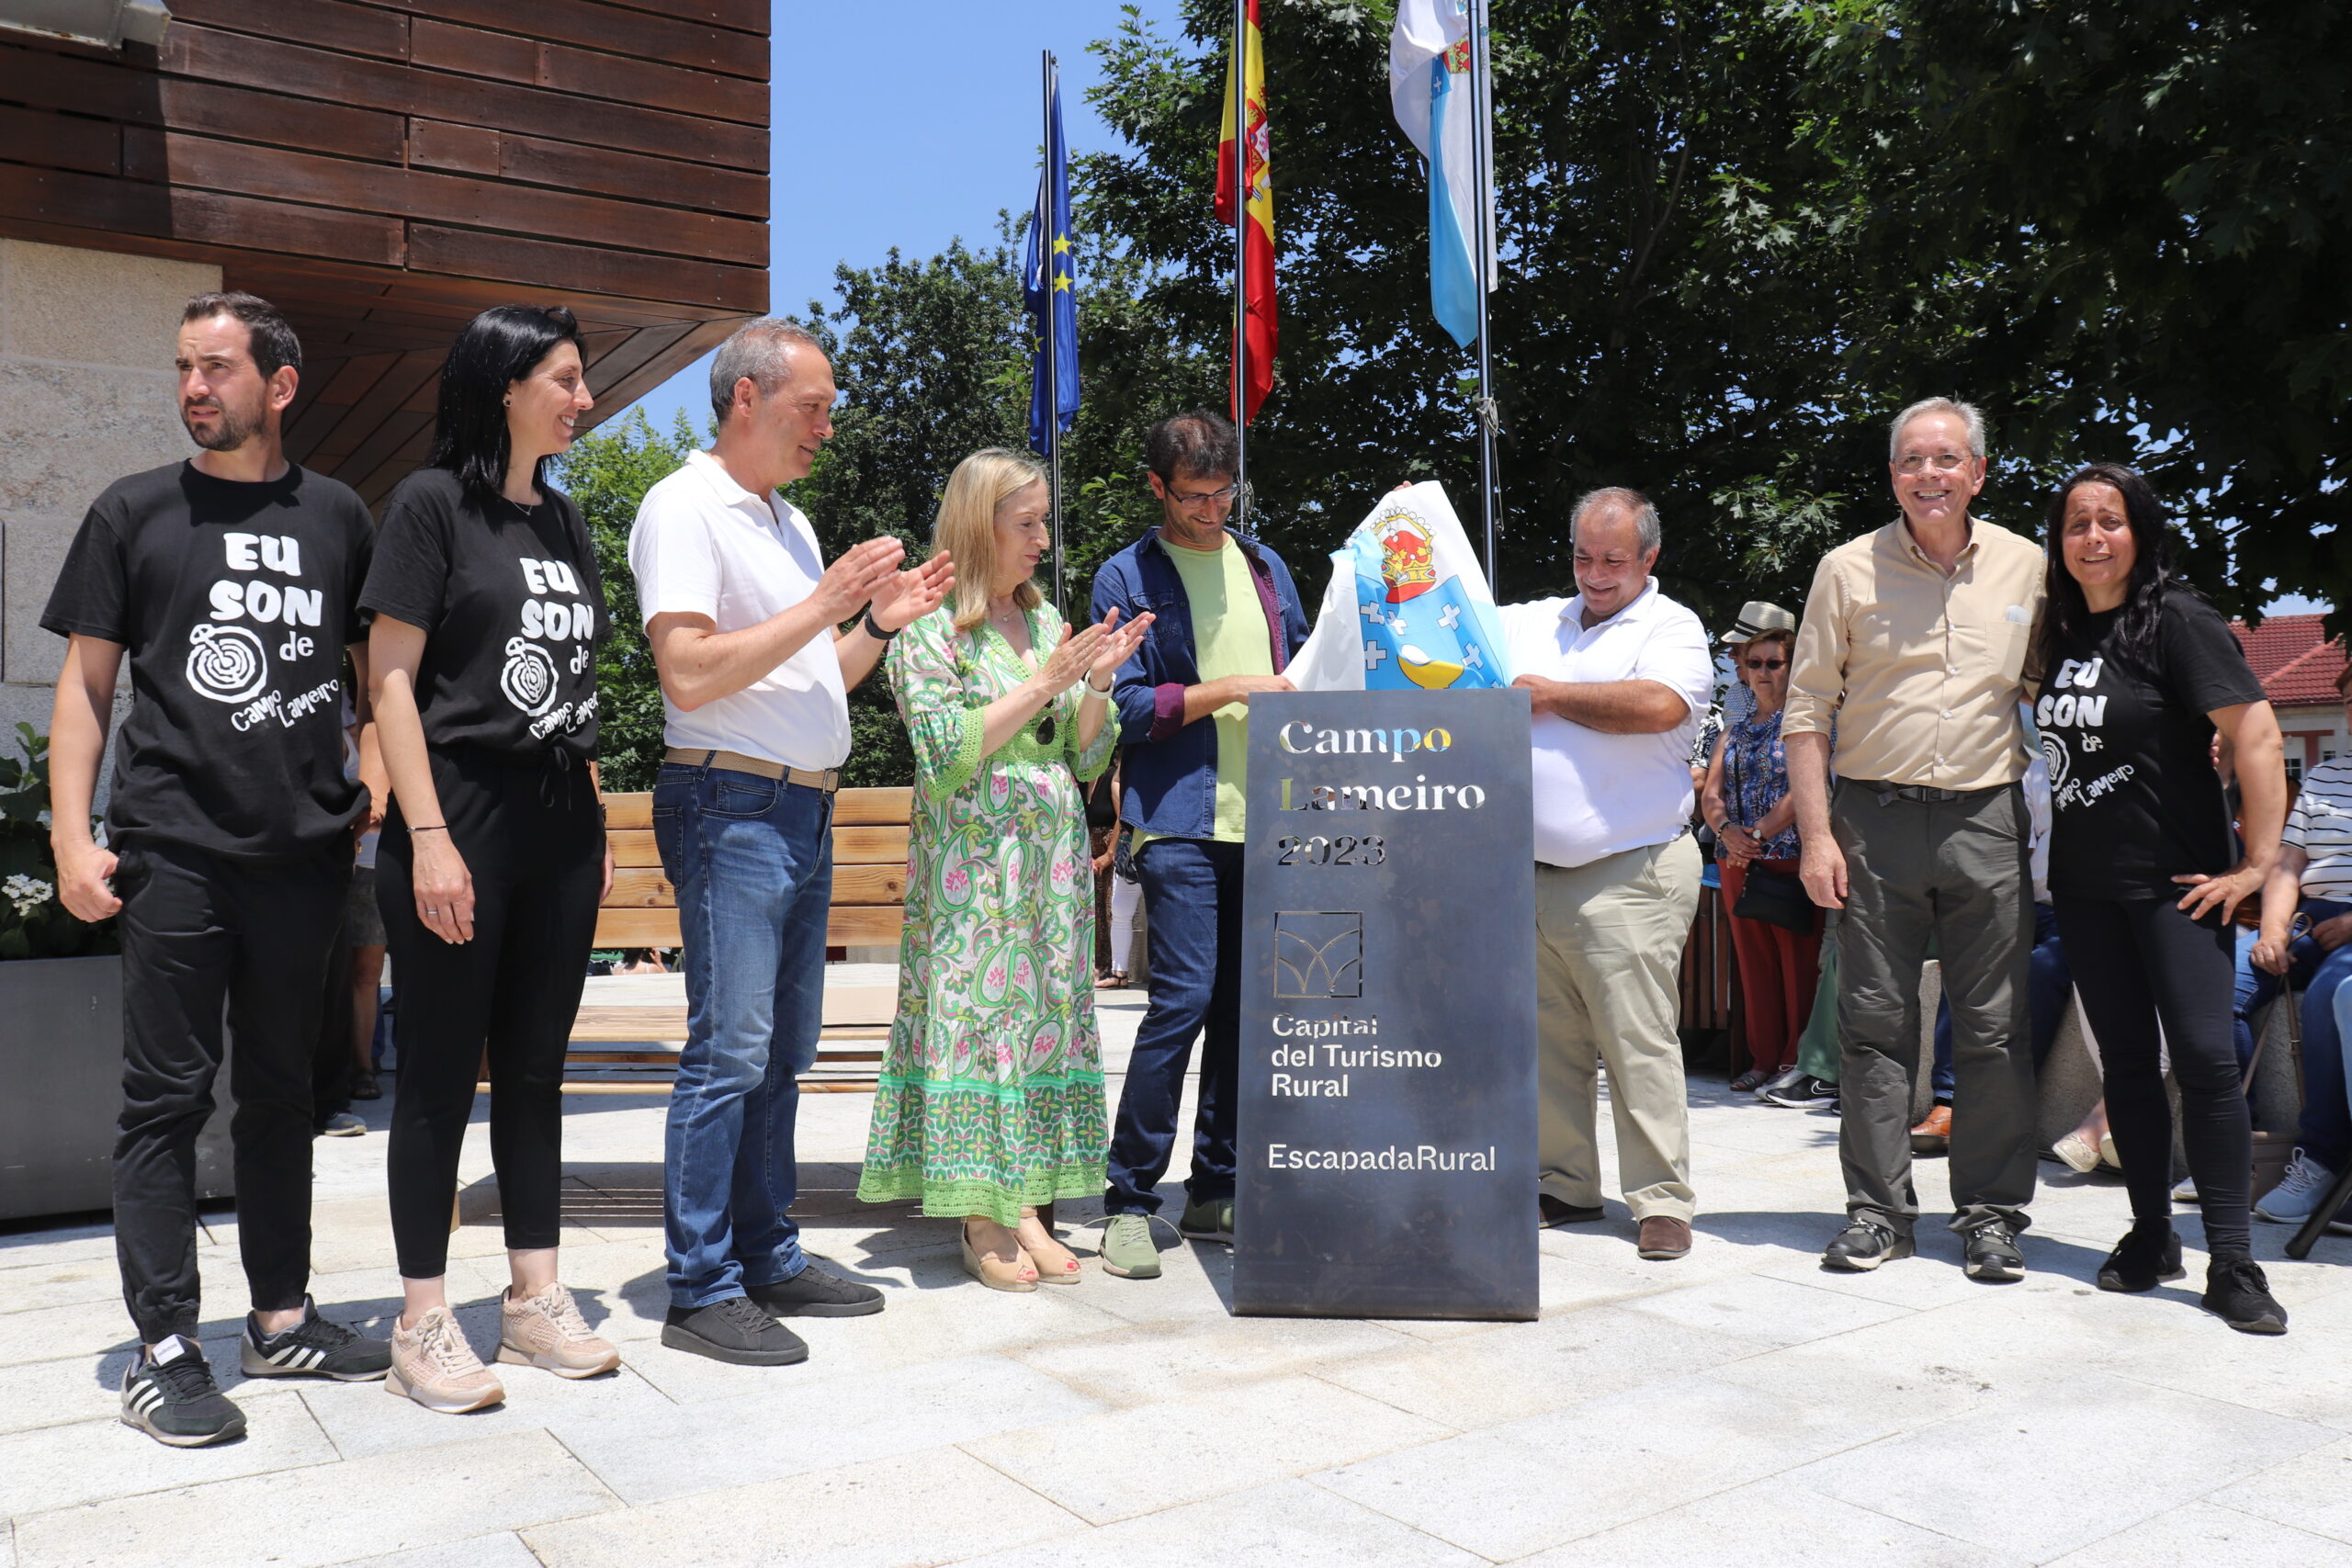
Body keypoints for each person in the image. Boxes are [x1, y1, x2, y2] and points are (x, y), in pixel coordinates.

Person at [43, 291, 390, 1447]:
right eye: (184, 368)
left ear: (279, 386)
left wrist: (377, 773)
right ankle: (165, 1346)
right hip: (176, 853)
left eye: (217, 368)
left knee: (287, 1093)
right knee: (165, 1101)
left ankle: (282, 1316)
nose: (194, 387)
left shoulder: (339, 514)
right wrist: (68, 832)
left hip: (301, 859)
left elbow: (372, 671)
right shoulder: (133, 511)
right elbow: (87, 688)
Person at [631, 318, 952, 1363]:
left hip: (797, 805)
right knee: (728, 1053)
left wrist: (875, 625)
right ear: (745, 400)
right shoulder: (684, 508)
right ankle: (701, 1285)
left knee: (779, 1056)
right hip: (729, 808)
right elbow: (687, 674)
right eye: (811, 406)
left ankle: (766, 1255)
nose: (826, 424)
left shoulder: (788, 523)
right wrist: (824, 602)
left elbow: (818, 683)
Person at [368, 304, 624, 1411]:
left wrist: (597, 820)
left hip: (559, 818)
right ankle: (422, 1322)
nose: (583, 397)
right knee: (434, 1077)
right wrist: (427, 836)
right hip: (456, 811)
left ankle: (532, 1299)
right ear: (506, 386)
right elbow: (388, 683)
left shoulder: (565, 522)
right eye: (565, 378)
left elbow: (572, 686)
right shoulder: (431, 506)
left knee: (533, 1068)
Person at [856, 450, 1152, 1287]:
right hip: (974, 863)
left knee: (1036, 1022)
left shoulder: (1042, 613)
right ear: (978, 524)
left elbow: (1084, 756)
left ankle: (1020, 1197)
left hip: (1050, 861)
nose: (1042, 537)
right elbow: (945, 750)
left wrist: (1095, 681)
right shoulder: (932, 622)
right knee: (978, 1020)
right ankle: (981, 1213)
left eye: (1044, 520)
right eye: (1026, 523)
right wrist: (1046, 681)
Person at [1785, 396, 2047, 1281]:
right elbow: (1807, 708)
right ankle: (1877, 1211)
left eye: (1946, 459)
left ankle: (1991, 1214)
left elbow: (2065, 691)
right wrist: (1817, 838)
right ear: (1892, 473)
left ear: (1978, 471)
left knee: (1996, 1030)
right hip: (1872, 821)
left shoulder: (2029, 567)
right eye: (1910, 461)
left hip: (1986, 817)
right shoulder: (1845, 569)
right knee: (1873, 1027)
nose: (1927, 476)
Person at [2032, 462, 2290, 1331]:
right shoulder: (2059, 629)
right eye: (2076, 524)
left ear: (2139, 532)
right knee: (2130, 1068)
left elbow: (2254, 732)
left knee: (2210, 1065)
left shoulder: (2178, 620)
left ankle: (2234, 1262)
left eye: (2110, 521)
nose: (2093, 537)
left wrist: (2256, 865)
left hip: (2178, 886)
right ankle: (2150, 1234)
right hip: (2086, 888)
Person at [1089, 410, 1308, 1279]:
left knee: (1243, 1012)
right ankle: (1129, 1200)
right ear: (1157, 487)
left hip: (1274, 817)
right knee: (1180, 1002)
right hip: (1176, 818)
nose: (1211, 511)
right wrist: (1229, 687)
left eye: (1223, 494)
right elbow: (1129, 710)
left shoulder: (1266, 565)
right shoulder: (1125, 573)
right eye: (1193, 498)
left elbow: (1306, 668)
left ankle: (1213, 1184)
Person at [1502, 489, 1715, 1260]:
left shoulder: (1674, 626)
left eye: (1614, 560)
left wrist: (1552, 696)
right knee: (1548, 1039)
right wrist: (1412, 528)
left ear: (1649, 558)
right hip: (1533, 872)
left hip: (1633, 870)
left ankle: (1662, 1200)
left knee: (1637, 1040)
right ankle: (1564, 1181)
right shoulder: (1532, 619)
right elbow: (1444, 613)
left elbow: (1661, 705)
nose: (1595, 573)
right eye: (1583, 556)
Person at [1911, 737, 2074, 1158]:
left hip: (2083, 913)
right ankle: (1948, 1103)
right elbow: (2017, 853)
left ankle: (2004, 1111)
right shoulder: (2038, 770)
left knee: (2041, 971)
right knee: (1964, 961)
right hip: (2025, 901)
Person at [1701, 602, 1821, 1092]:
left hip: (1789, 858)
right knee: (1752, 967)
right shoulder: (1734, 729)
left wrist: (1756, 836)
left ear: (1793, 665)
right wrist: (1728, 829)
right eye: (1756, 663)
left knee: (1797, 965)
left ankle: (1796, 1060)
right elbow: (1711, 791)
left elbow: (1806, 791)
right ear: (1743, 668)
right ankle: (1762, 1057)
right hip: (1738, 862)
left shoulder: (1807, 724)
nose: (1764, 671)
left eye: (1775, 662)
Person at [2245, 680, 2352, 1229]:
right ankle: (2235, 1153)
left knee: (2331, 997)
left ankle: (2323, 1160)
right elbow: (2288, 863)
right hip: (2308, 914)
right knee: (2215, 990)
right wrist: (2272, 929)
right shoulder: (2324, 775)